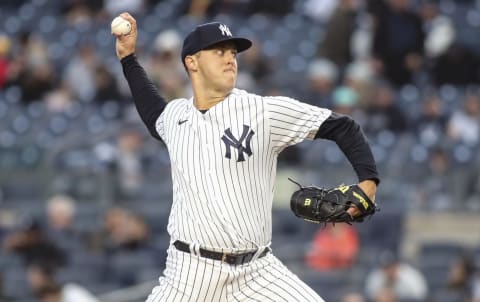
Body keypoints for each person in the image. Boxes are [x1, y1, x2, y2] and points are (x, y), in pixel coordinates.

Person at [114, 12, 379, 301]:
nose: (230, 59)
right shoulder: (176, 116)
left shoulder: (262, 112)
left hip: (257, 271)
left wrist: (368, 182)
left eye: (233, 53)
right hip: (189, 273)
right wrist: (128, 59)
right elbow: (151, 110)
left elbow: (343, 126)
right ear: (192, 62)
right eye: (219, 52)